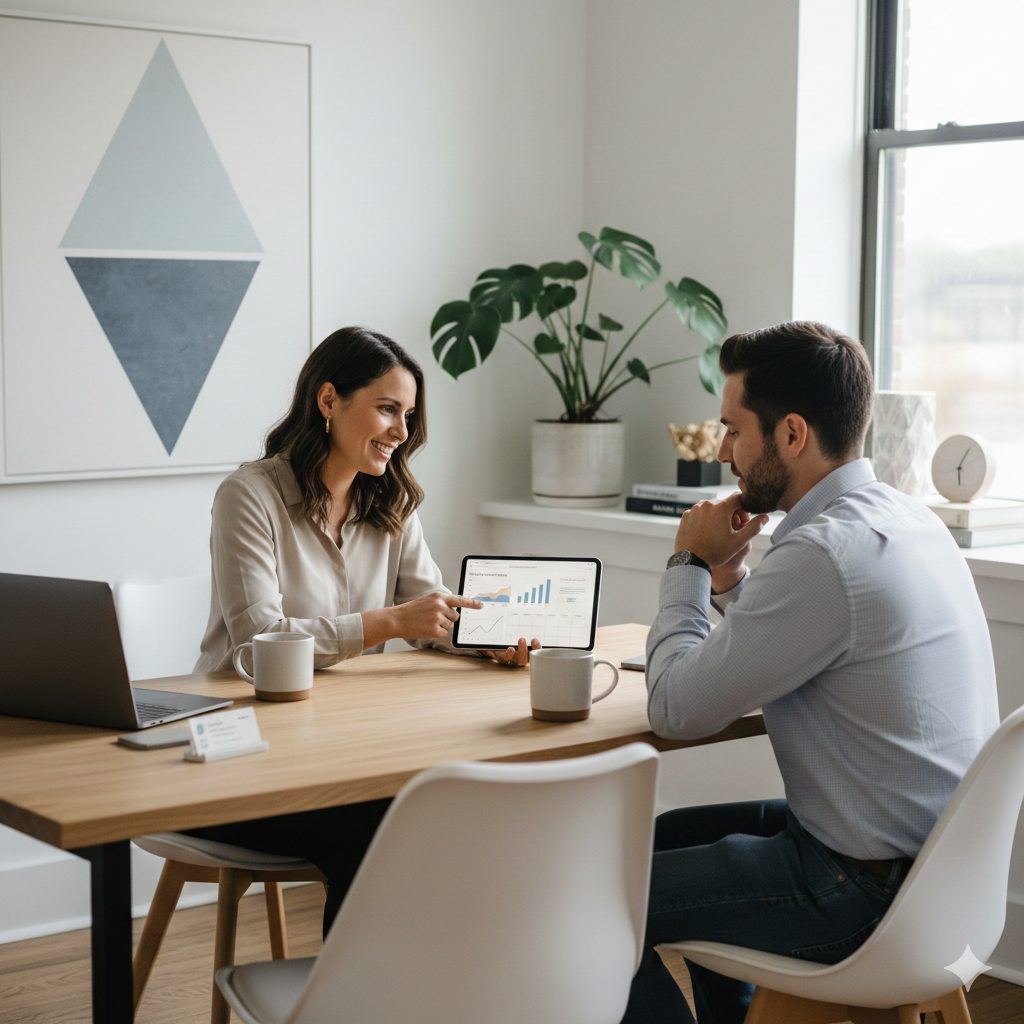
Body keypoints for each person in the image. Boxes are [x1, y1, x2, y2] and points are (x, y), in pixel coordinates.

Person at [620, 321, 999, 1024]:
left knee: (601, 903)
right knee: (655, 838)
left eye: (734, 430)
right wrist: (731, 585)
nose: (725, 452)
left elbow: (674, 708)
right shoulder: (903, 521)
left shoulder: (824, 554)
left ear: (791, 434)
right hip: (941, 881)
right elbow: (804, 643)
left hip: (861, 891)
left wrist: (690, 567)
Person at [188, 326, 539, 934]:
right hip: (240, 761)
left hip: (344, 750)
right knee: (386, 824)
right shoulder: (249, 495)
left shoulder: (392, 503)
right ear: (328, 402)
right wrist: (388, 624)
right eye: (386, 409)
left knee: (445, 811)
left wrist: (484, 639)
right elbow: (256, 642)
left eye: (408, 415)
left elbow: (427, 610)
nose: (402, 432)